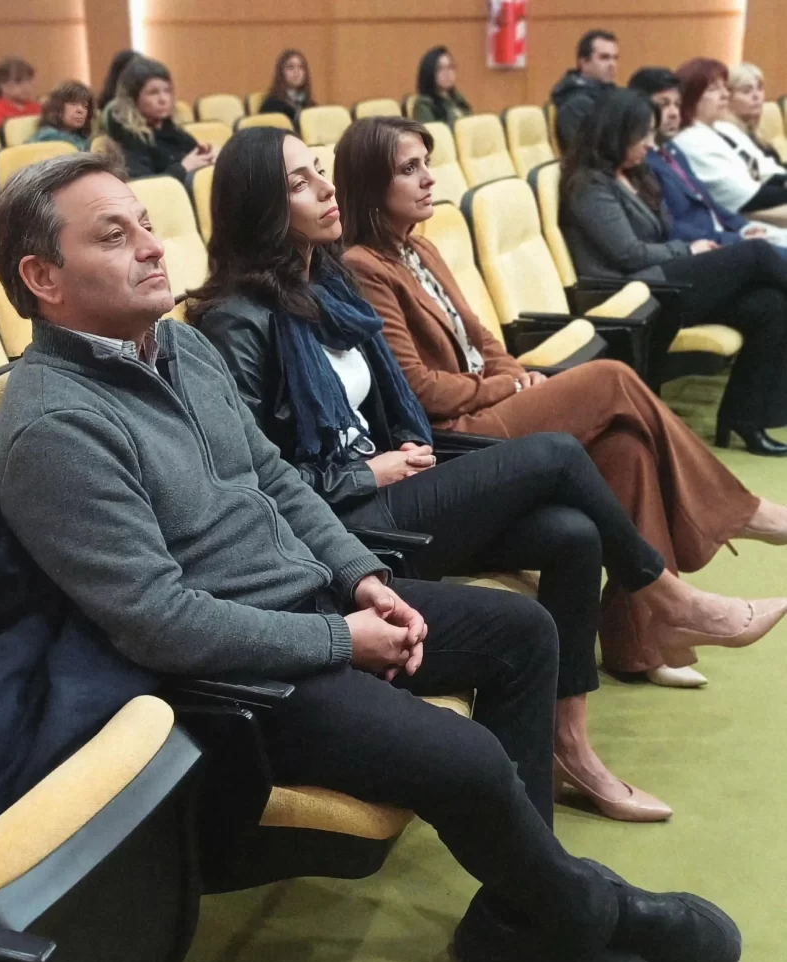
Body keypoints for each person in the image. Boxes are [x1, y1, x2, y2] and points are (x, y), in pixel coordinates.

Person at [0, 150, 742, 962]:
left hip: (313, 601)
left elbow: (274, 479)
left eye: (148, 225)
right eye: (115, 236)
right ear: (42, 277)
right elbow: (158, 621)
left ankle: (520, 916)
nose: (154, 247)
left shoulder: (180, 347)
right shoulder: (52, 427)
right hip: (240, 679)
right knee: (466, 758)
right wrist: (341, 638)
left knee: (523, 634)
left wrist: (360, 578)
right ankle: (592, 909)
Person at [187, 126, 787, 821]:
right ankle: (669, 598)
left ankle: (571, 749)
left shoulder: (326, 284)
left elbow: (401, 397)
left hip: (398, 477)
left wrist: (402, 447)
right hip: (343, 525)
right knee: (561, 451)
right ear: (260, 204)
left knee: (571, 534)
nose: (325, 188)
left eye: (319, 170)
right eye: (299, 182)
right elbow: (256, 483)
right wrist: (367, 474)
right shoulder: (235, 321)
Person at [333, 113, 787, 681]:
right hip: (455, 432)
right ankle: (741, 514)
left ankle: (640, 641)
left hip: (490, 400)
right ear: (370, 182)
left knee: (625, 447)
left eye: (427, 163)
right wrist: (508, 385)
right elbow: (419, 389)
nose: (428, 178)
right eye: (409, 169)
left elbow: (482, 339)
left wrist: (515, 372)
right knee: (610, 378)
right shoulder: (363, 266)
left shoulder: (420, 250)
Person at [560, 88, 787, 455]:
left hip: (659, 279)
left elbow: (661, 234)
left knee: (769, 304)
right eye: (643, 135)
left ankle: (745, 418)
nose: (650, 144)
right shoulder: (588, 186)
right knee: (757, 254)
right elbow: (629, 254)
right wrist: (688, 250)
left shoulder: (635, 175)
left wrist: (693, 248)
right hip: (630, 295)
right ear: (617, 133)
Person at [628, 67, 787, 252]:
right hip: (707, 246)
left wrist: (744, 228)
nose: (674, 113)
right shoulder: (644, 161)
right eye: (663, 105)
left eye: (677, 105)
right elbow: (672, 226)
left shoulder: (672, 150)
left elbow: (709, 202)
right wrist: (737, 238)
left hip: (729, 231)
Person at [673, 58, 787, 226]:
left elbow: (767, 172)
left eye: (724, 88)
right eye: (714, 89)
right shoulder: (690, 141)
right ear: (692, 96)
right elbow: (749, 197)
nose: (725, 95)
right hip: (740, 222)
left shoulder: (723, 128)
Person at [105, 56, 213, 181]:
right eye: (153, 93)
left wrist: (206, 158)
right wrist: (183, 168)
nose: (163, 99)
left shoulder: (174, 132)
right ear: (133, 99)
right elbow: (144, 184)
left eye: (167, 91)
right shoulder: (127, 139)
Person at [550, 29, 618, 152]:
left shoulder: (612, 94)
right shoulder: (574, 104)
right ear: (584, 62)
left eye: (615, 58)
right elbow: (583, 154)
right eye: (604, 58)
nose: (612, 64)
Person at [722, 62, 787, 171]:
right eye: (746, 91)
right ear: (728, 98)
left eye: (760, 88)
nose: (757, 96)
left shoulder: (756, 136)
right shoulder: (727, 139)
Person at [413, 47, 472, 126]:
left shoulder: (458, 98)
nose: (447, 73)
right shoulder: (424, 104)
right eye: (440, 69)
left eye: (450, 67)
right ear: (430, 72)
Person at [0, 57, 42, 130]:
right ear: (2, 85)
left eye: (28, 80)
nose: (26, 86)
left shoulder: (36, 107)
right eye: (18, 81)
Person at [30, 80, 93, 151]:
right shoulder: (47, 136)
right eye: (73, 104)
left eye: (85, 105)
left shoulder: (83, 139)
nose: (80, 110)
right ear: (57, 107)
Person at [260, 50, 316, 121]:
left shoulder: (310, 105)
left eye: (301, 67)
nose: (296, 72)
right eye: (290, 67)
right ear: (281, 73)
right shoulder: (271, 105)